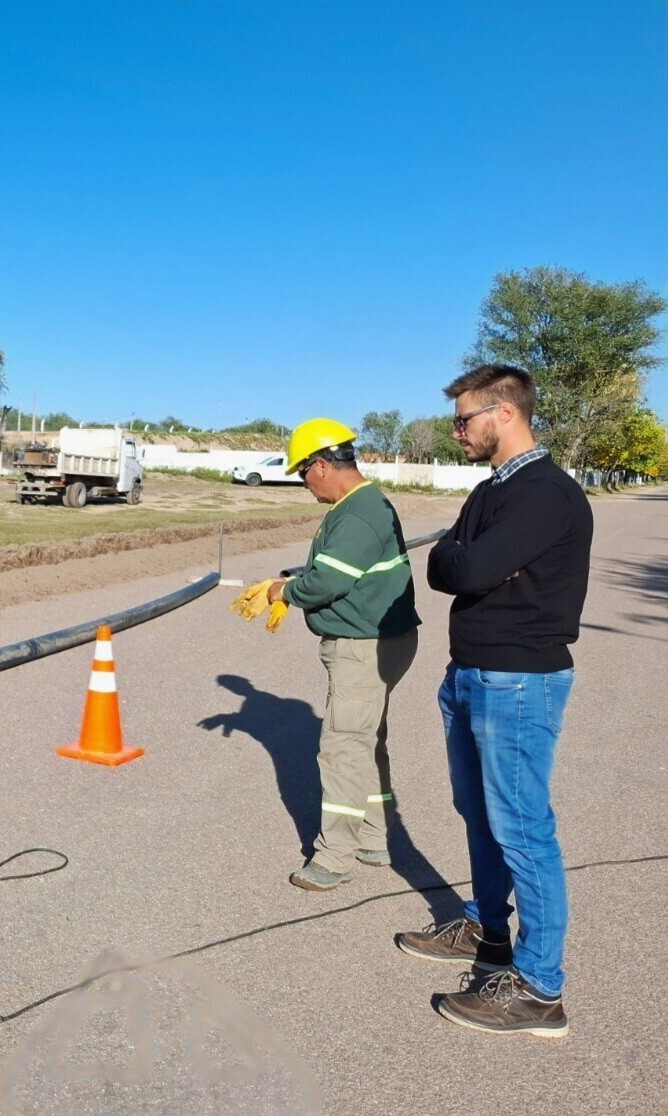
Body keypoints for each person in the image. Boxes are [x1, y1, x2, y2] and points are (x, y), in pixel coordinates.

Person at [396, 364, 592, 1037]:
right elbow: (443, 563)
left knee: (523, 828)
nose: (456, 431)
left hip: (516, 679)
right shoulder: (492, 493)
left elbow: (465, 567)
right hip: (470, 674)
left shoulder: (547, 495)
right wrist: (460, 557)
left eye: (464, 418)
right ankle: (488, 933)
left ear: (504, 413)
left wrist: (463, 559)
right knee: (478, 813)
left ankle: (541, 990)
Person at [252, 418, 422, 891]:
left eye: (302, 474)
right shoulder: (362, 503)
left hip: (363, 646)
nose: (303, 485)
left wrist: (283, 590)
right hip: (380, 640)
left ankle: (335, 857)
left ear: (322, 466)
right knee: (366, 737)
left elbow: (327, 581)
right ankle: (374, 836)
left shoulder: (357, 513)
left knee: (344, 746)